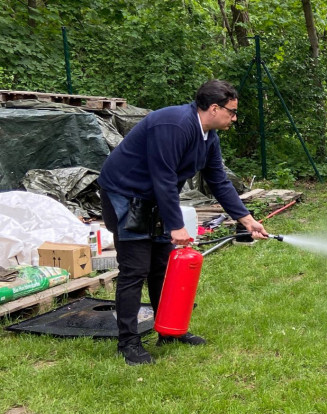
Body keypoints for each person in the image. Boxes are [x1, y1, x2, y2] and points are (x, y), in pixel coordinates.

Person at [98, 80, 269, 366]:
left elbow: (218, 180)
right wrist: (175, 225)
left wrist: (246, 218)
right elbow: (163, 176)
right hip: (124, 194)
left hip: (154, 196)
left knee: (161, 268)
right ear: (214, 108)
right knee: (135, 269)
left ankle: (169, 331)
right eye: (232, 111)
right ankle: (128, 342)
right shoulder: (174, 125)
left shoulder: (208, 136)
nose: (235, 118)